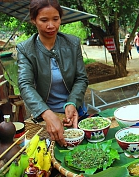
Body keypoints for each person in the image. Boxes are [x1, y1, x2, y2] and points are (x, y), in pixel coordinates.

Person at [16, 0, 89, 147]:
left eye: (55, 19)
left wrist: (72, 102)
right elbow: (25, 84)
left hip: (74, 114)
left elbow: (81, 78)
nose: (51, 25)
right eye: (44, 20)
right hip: (44, 118)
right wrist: (47, 114)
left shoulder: (72, 43)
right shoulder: (26, 49)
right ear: (33, 20)